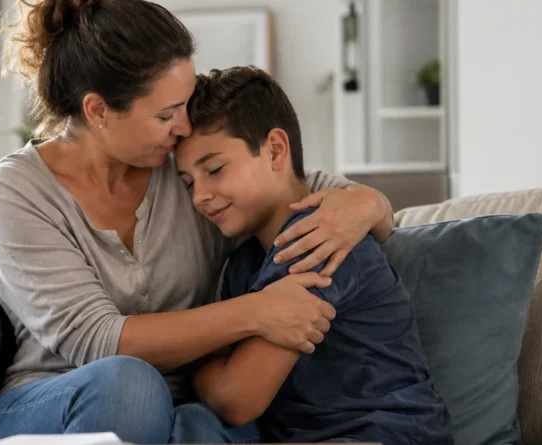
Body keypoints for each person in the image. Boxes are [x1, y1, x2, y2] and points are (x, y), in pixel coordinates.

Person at [0, 0, 396, 443]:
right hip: (54, 401)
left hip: (187, 412)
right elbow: (98, 340)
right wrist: (257, 312)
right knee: (130, 388)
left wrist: (369, 205)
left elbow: (293, 189)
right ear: (98, 111)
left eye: (185, 103)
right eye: (165, 115)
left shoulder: (189, 175)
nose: (183, 126)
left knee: (232, 426)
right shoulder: (15, 190)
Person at [175, 65, 453, 444]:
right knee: (194, 423)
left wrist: (195, 361)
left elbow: (238, 398)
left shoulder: (319, 237)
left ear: (275, 149)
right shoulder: (242, 265)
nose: (199, 195)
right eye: (189, 182)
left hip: (383, 433)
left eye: (215, 169)